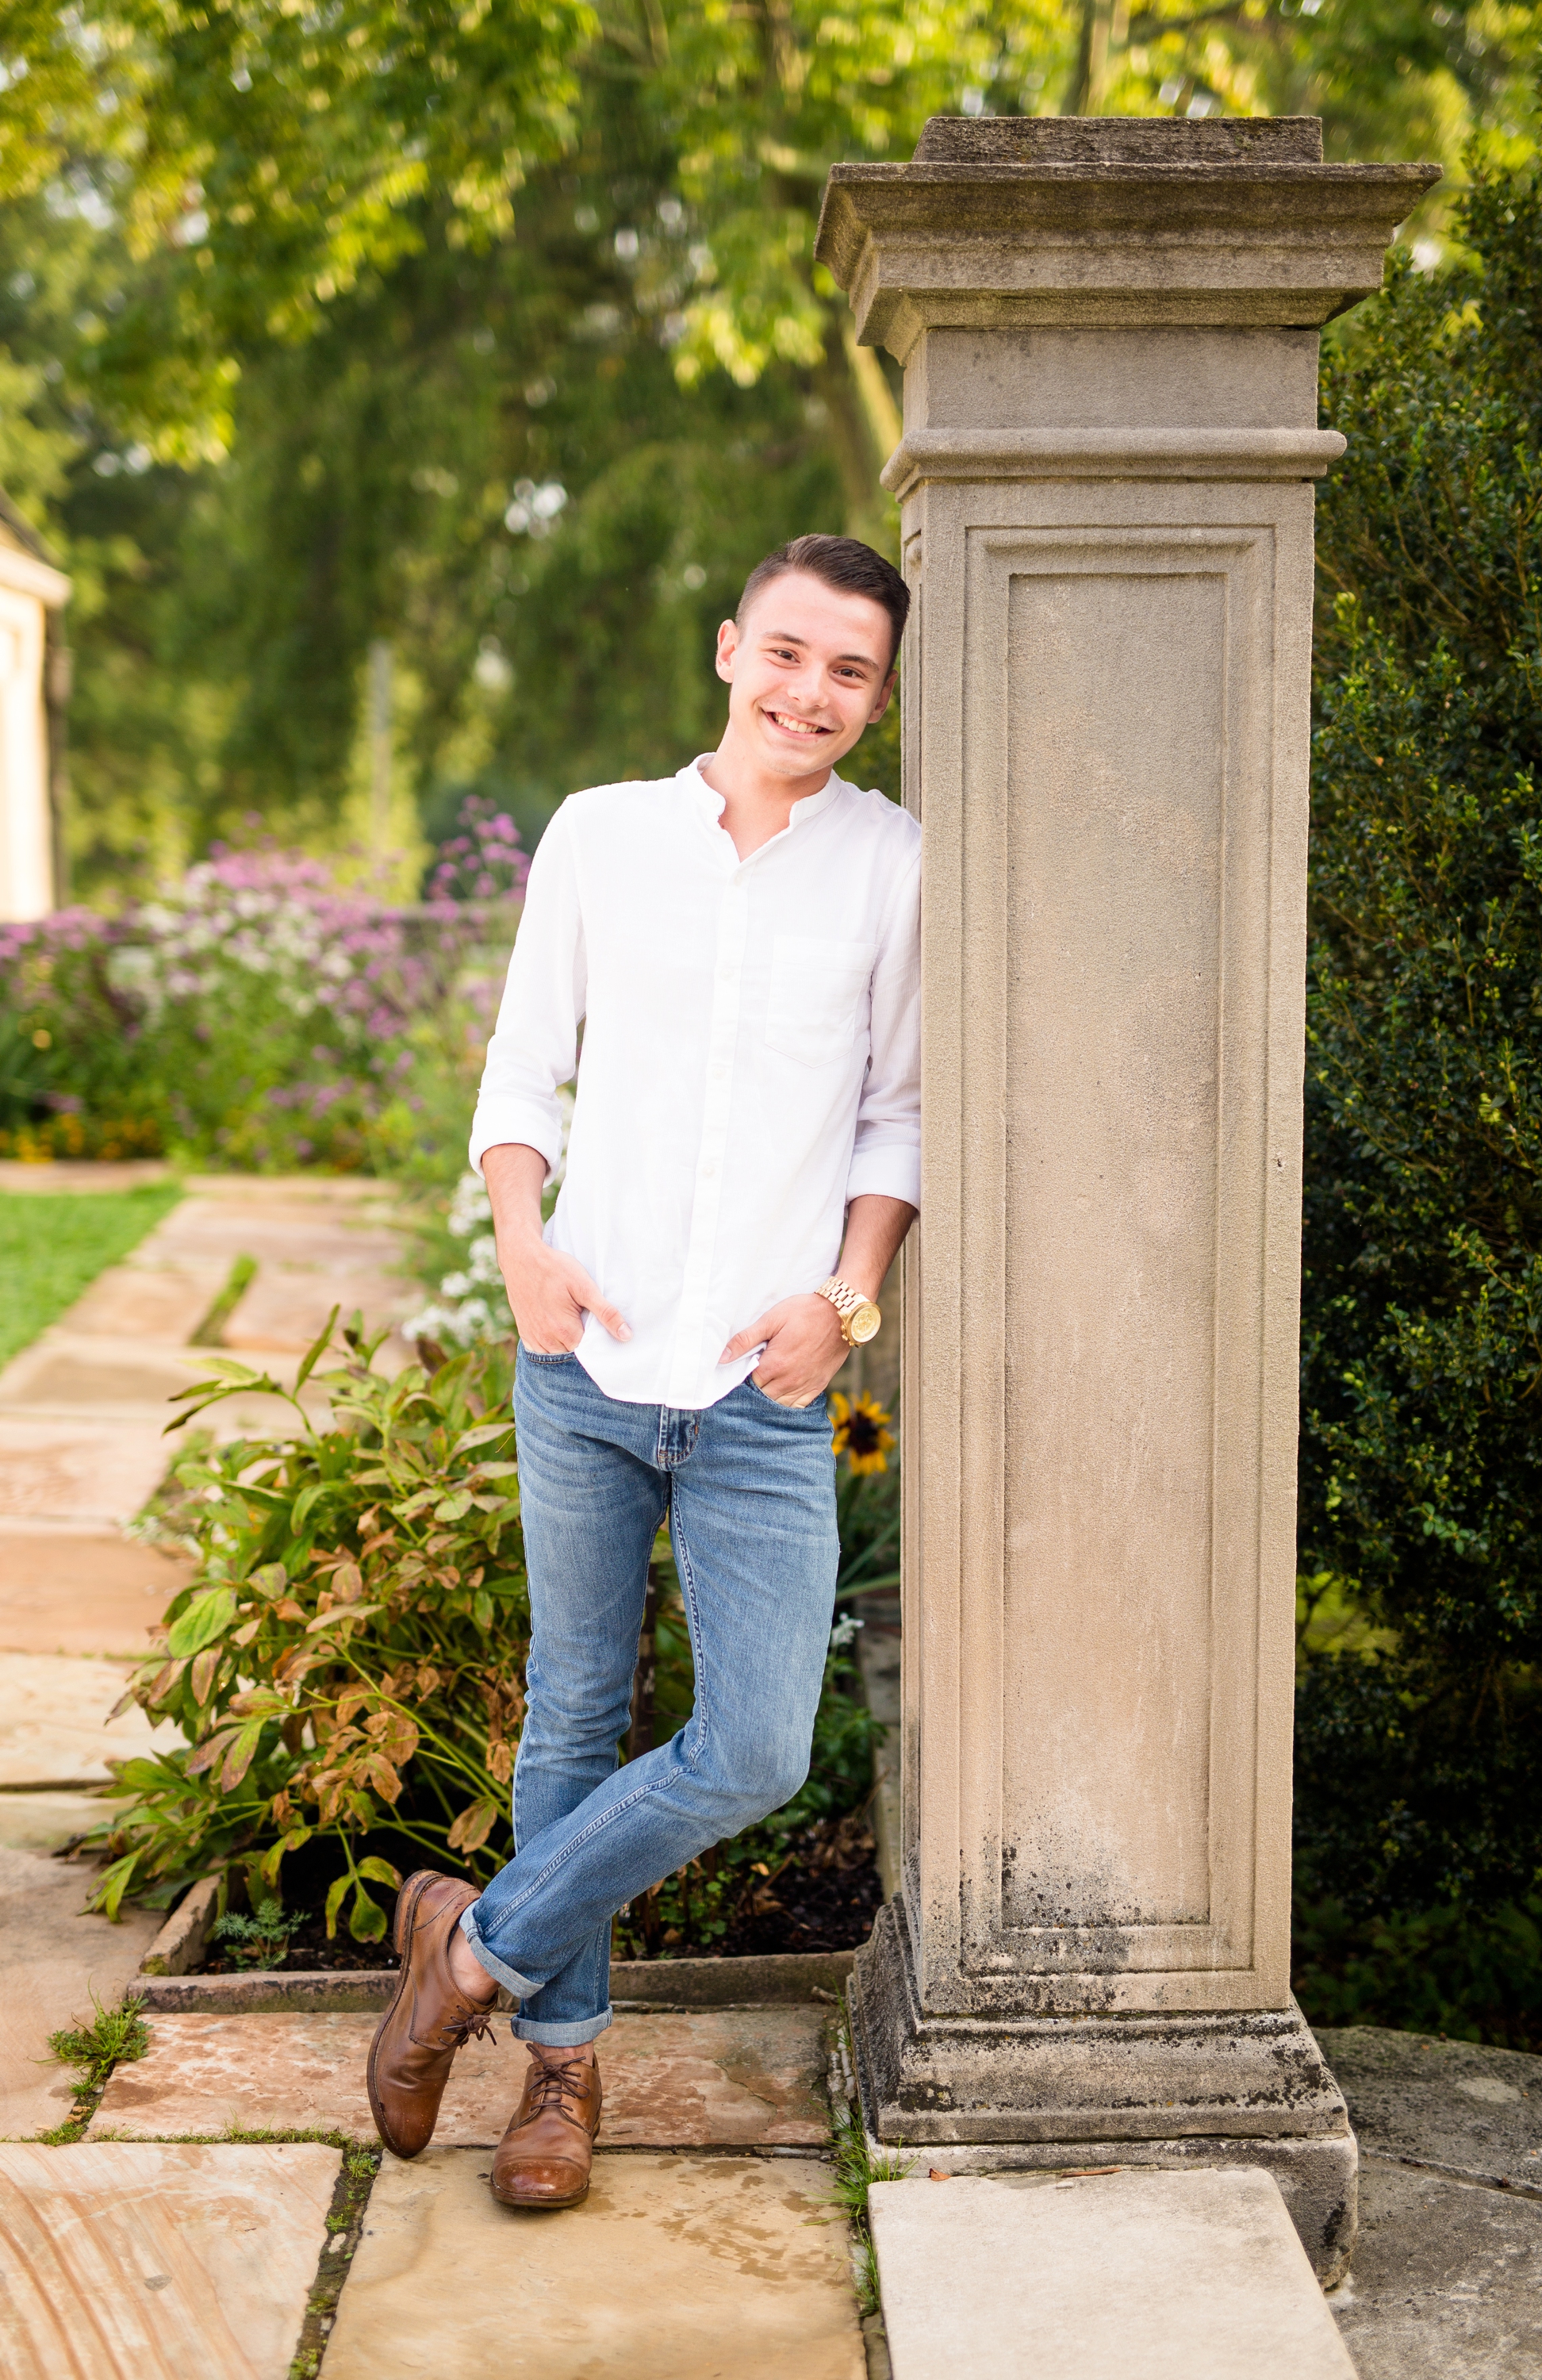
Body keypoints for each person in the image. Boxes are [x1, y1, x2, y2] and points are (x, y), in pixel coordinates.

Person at [366, 533, 921, 2209]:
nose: (810, 692)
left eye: (851, 672)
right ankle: (558, 2076)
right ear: (727, 648)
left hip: (762, 1386)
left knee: (756, 1748)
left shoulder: (893, 865)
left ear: (877, 700)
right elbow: (524, 1070)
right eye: (789, 653)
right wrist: (521, 1248)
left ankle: (468, 1957)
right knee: (579, 1708)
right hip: (585, 1360)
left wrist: (850, 1296)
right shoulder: (603, 836)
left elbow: (896, 1111)